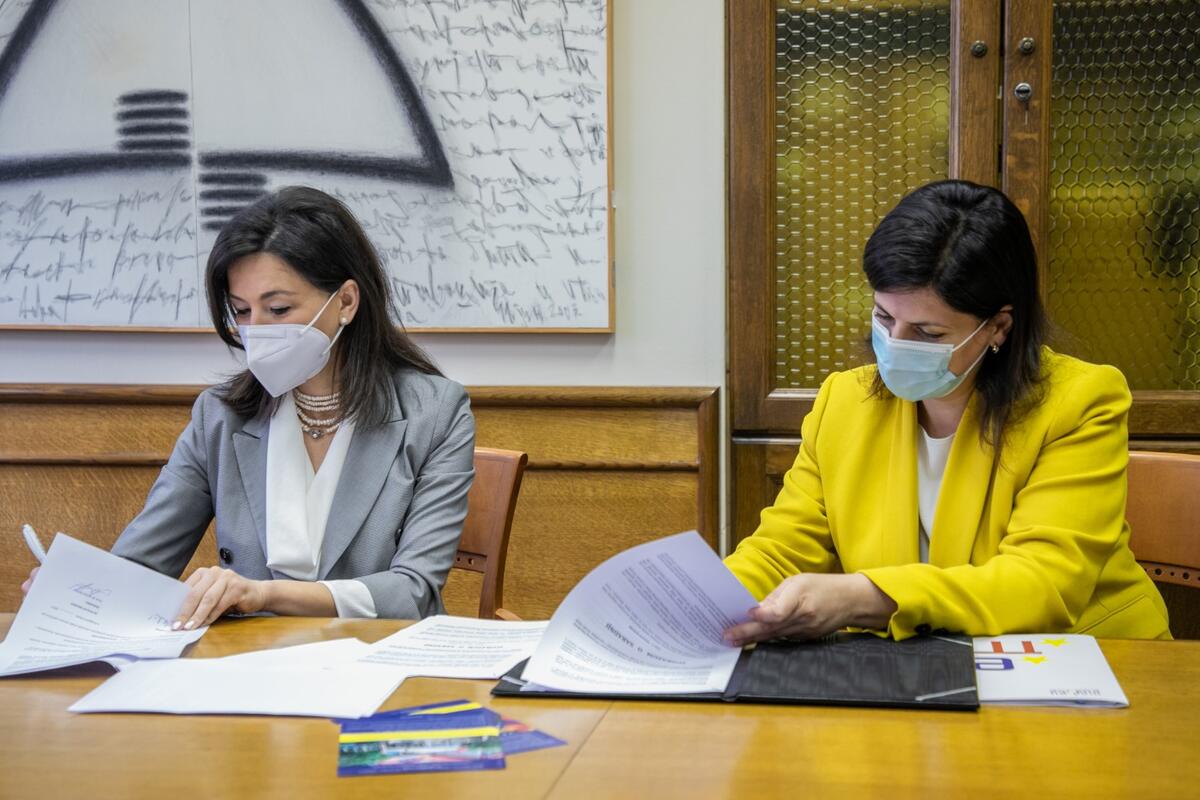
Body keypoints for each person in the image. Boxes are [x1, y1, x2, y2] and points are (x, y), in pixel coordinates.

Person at [724, 180, 1171, 645]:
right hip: (918, 663)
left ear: (998, 327)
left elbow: (1040, 583)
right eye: (883, 317)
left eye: (928, 333)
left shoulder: (1080, 402)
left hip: (1083, 657)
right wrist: (712, 605)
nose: (895, 343)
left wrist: (867, 597)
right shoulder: (844, 402)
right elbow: (782, 552)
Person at [21, 186, 475, 627]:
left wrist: (263, 594)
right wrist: (81, 588)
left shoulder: (435, 412)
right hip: (248, 661)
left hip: (381, 658)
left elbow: (414, 592)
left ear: (346, 302)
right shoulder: (219, 415)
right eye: (241, 311)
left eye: (277, 309)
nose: (256, 330)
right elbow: (143, 561)